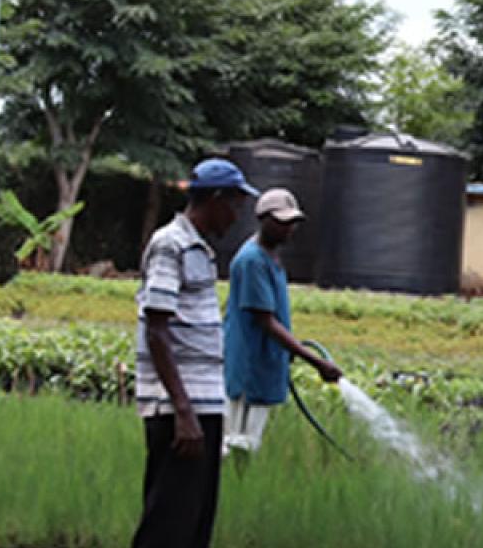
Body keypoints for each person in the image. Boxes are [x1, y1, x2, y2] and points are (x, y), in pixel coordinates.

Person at [132, 159, 256, 548]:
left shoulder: (200, 249)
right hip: (179, 412)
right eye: (235, 205)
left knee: (193, 526)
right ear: (215, 199)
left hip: (203, 407)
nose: (237, 216)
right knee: (168, 526)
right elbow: (156, 329)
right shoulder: (171, 244)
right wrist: (184, 413)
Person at [222, 188, 342, 457]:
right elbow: (265, 321)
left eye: (293, 223)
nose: (290, 229)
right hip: (248, 366)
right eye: (283, 222)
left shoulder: (272, 256)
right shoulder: (252, 260)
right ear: (263, 220)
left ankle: (242, 487)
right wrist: (316, 361)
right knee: (236, 444)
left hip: (264, 362)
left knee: (251, 442)